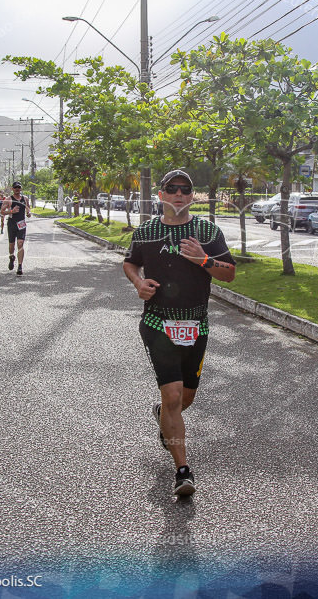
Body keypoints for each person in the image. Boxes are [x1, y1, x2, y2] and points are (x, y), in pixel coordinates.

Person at [123, 169, 236, 498]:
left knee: (185, 398)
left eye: (185, 190)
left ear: (192, 196)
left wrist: (203, 259)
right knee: (172, 396)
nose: (178, 195)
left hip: (196, 326)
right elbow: (130, 263)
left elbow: (229, 274)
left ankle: (162, 415)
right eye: (171, 189)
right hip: (158, 324)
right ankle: (183, 471)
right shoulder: (147, 231)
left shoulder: (206, 230)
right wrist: (138, 283)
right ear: (160, 195)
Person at [3, 182, 30, 275]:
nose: (17, 189)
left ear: (21, 188)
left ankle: (20, 266)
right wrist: (11, 211)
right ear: (12, 189)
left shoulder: (25, 198)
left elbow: (28, 208)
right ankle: (11, 257)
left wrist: (28, 213)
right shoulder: (8, 199)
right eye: (15, 188)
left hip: (21, 224)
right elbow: (1, 212)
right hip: (12, 224)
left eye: (19, 187)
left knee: (20, 243)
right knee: (11, 245)